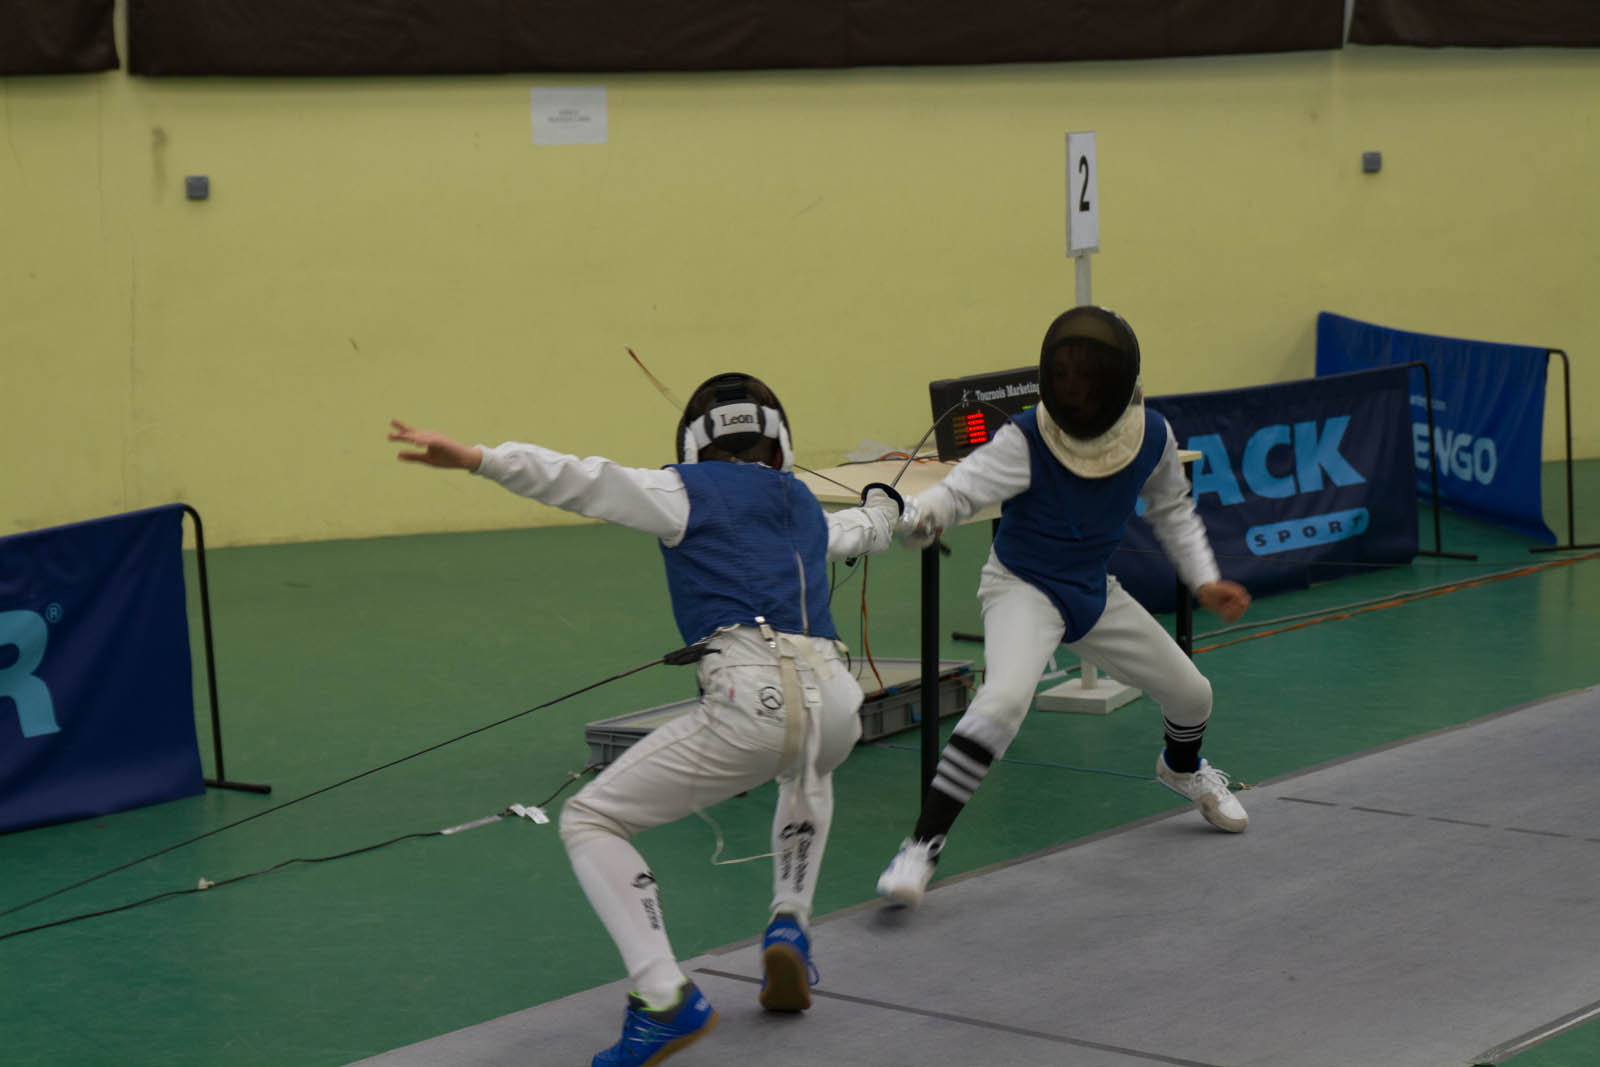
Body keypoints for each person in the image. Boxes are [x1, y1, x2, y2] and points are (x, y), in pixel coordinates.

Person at [390, 371, 901, 1067]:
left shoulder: (680, 490)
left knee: (590, 819)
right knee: (807, 762)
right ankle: (790, 921)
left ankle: (664, 994)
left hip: (751, 695)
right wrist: (888, 507)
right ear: (779, 445)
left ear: (694, 442)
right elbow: (860, 530)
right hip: (838, 701)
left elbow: (581, 479)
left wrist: (480, 458)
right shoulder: (804, 504)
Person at [876, 306, 1254, 910]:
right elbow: (962, 489)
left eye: (1087, 375)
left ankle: (1182, 769)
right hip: (1022, 587)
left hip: (1092, 590)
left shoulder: (1152, 436)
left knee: (1193, 694)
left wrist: (1204, 581)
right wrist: (926, 515)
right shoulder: (1027, 437)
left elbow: (1172, 510)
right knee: (1001, 703)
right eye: (1063, 373)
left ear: (1115, 381)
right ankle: (921, 846)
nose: (1072, 387)